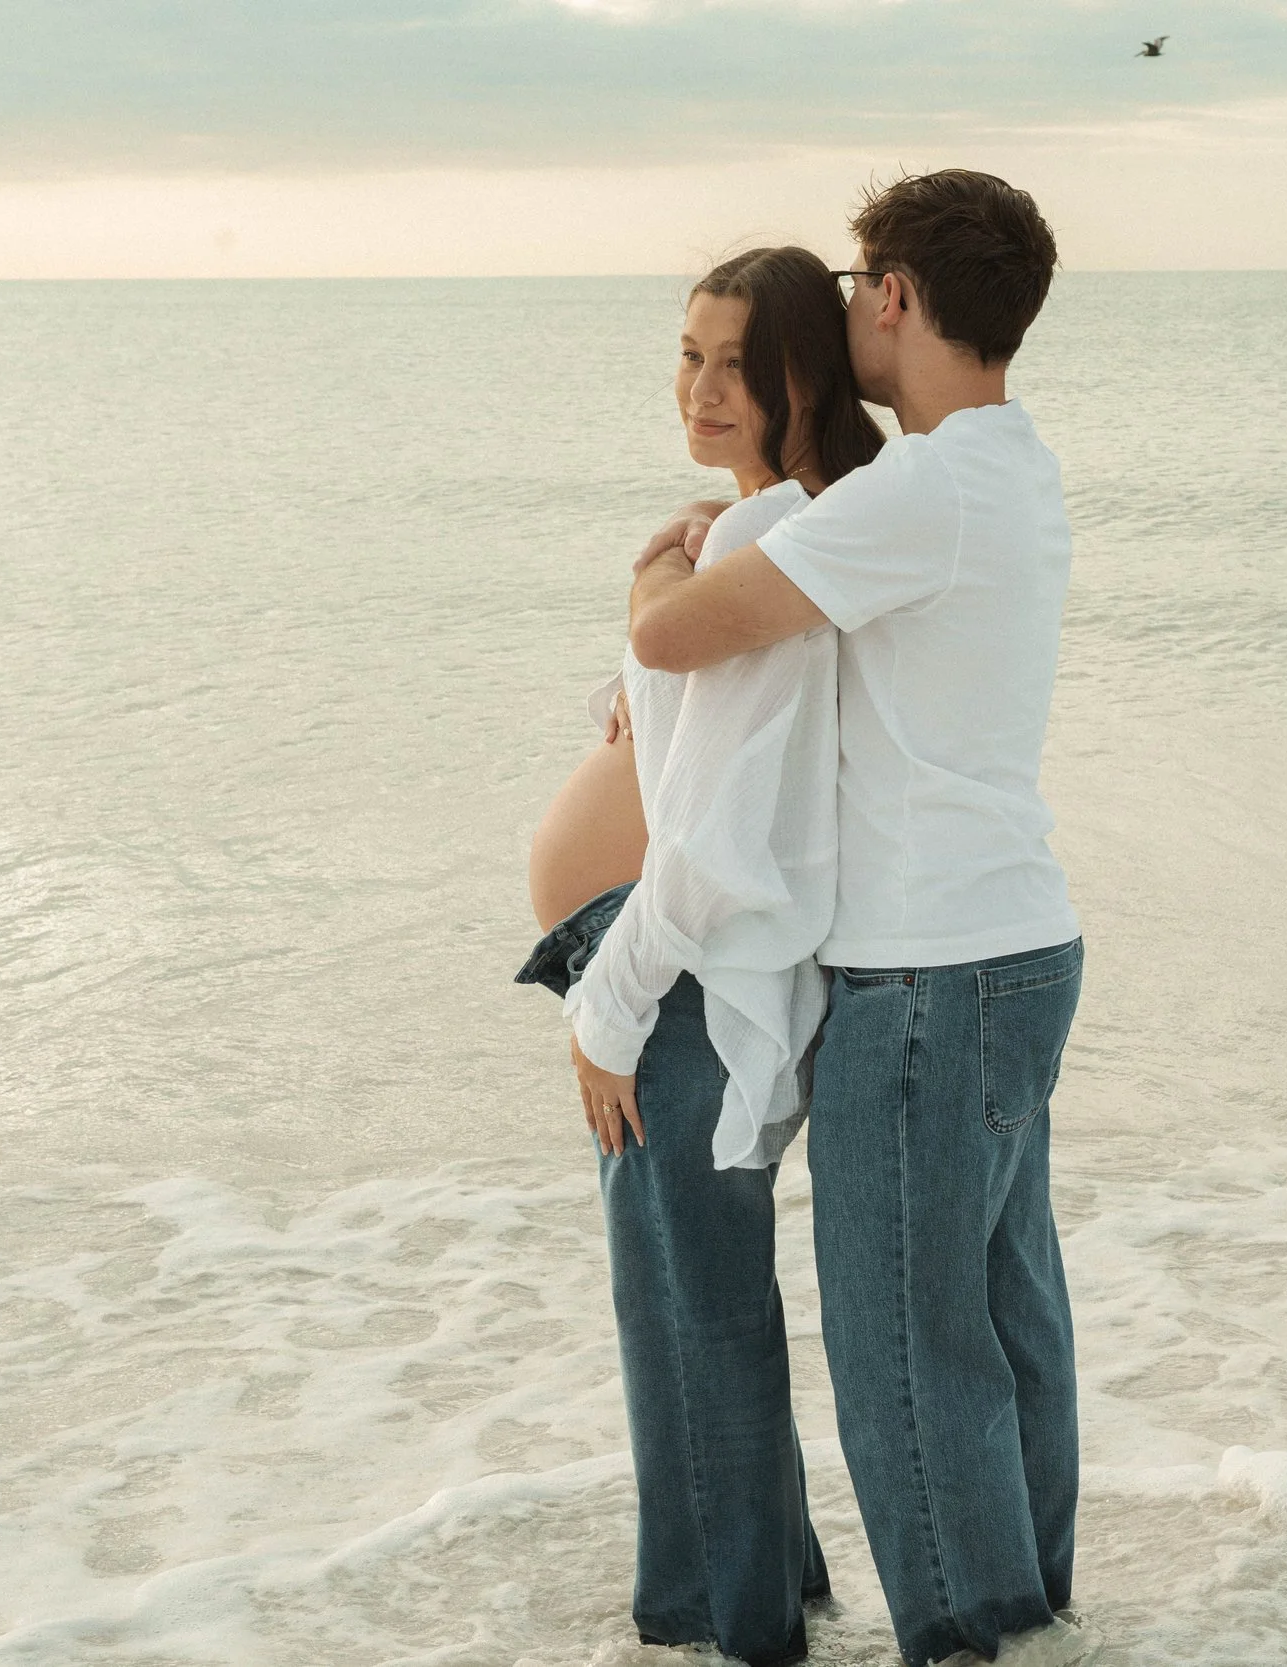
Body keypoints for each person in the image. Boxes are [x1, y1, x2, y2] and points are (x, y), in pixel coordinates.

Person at [627, 170, 1085, 1667]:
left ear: (895, 298)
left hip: (928, 973)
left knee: (904, 1346)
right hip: (1016, 944)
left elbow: (680, 633)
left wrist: (665, 555)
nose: (844, 306)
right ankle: (1036, 1616)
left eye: (856, 281)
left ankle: (971, 1637)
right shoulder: (1010, 468)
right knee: (1005, 1323)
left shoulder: (924, 488)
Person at [517, 245, 884, 1667]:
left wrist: (608, 1008)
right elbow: (701, 761)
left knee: (691, 1319)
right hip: (684, 981)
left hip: (669, 986)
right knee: (697, 1306)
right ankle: (765, 1599)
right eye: (687, 354)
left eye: (739, 362)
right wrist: (638, 633)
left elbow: (718, 840)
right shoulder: (760, 540)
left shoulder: (758, 550)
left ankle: (734, 1634)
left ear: (803, 375)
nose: (705, 387)